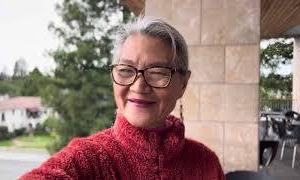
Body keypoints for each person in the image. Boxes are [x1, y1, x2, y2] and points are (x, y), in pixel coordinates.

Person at [20, 17, 224, 180]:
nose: (138, 86)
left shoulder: (206, 163)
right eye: (126, 70)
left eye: (157, 72)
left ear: (183, 84)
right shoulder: (91, 158)